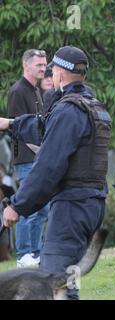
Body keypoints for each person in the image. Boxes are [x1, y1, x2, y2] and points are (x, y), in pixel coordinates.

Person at [0, 45, 111, 299]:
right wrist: (12, 124)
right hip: (92, 204)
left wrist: (17, 205)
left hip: (72, 207)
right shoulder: (92, 106)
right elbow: (46, 127)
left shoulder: (68, 110)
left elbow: (48, 166)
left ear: (59, 75)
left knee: (48, 281)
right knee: (65, 283)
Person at [7, 49, 49, 268]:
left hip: (38, 157)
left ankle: (36, 251)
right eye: (39, 65)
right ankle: (24, 254)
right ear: (26, 65)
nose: (43, 68)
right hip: (25, 158)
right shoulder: (18, 91)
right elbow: (16, 127)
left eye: (44, 65)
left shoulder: (36, 90)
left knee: (42, 208)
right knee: (27, 205)